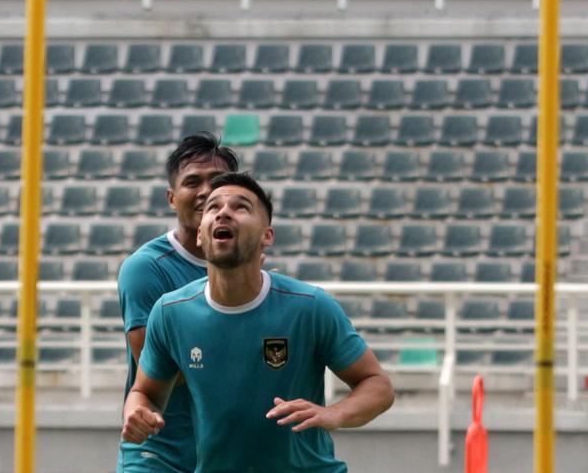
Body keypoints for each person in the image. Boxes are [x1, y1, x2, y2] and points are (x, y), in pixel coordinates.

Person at [122, 172, 395, 473]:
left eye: (241, 207)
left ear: (267, 235)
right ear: (200, 234)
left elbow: (378, 385)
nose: (223, 212)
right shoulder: (170, 312)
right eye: (213, 208)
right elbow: (144, 392)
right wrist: (138, 413)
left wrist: (335, 414)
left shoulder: (311, 307)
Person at [115, 133, 240, 473]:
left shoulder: (250, 267)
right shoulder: (146, 269)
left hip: (230, 455)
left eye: (216, 182)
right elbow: (157, 369)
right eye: (192, 182)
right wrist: (244, 341)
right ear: (172, 198)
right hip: (160, 455)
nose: (204, 191)